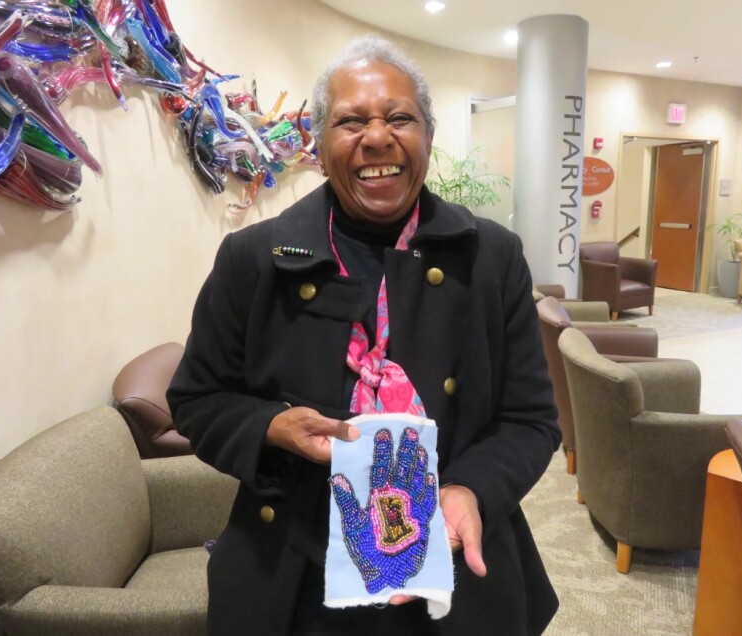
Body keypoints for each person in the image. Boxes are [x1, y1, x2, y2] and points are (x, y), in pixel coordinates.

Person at [167, 34, 560, 636]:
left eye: (399, 118)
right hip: (297, 570)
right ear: (320, 148)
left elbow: (531, 419)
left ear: (427, 135)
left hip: (453, 564)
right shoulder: (253, 258)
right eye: (351, 122)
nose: (377, 137)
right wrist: (271, 427)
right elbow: (196, 400)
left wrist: (467, 488)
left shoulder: (494, 260)